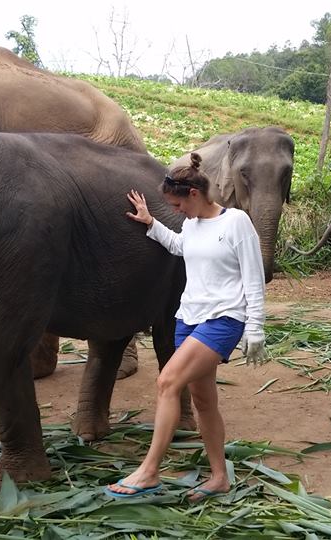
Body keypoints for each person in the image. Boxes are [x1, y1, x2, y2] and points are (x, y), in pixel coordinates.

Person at [105, 153, 267, 501]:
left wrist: (256, 328)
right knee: (203, 401)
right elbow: (181, 247)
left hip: (223, 320)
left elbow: (254, 279)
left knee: (167, 381)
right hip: (189, 319)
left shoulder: (236, 223)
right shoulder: (191, 225)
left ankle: (149, 471)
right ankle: (219, 477)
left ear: (194, 193)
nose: (176, 210)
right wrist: (151, 223)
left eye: (177, 203)